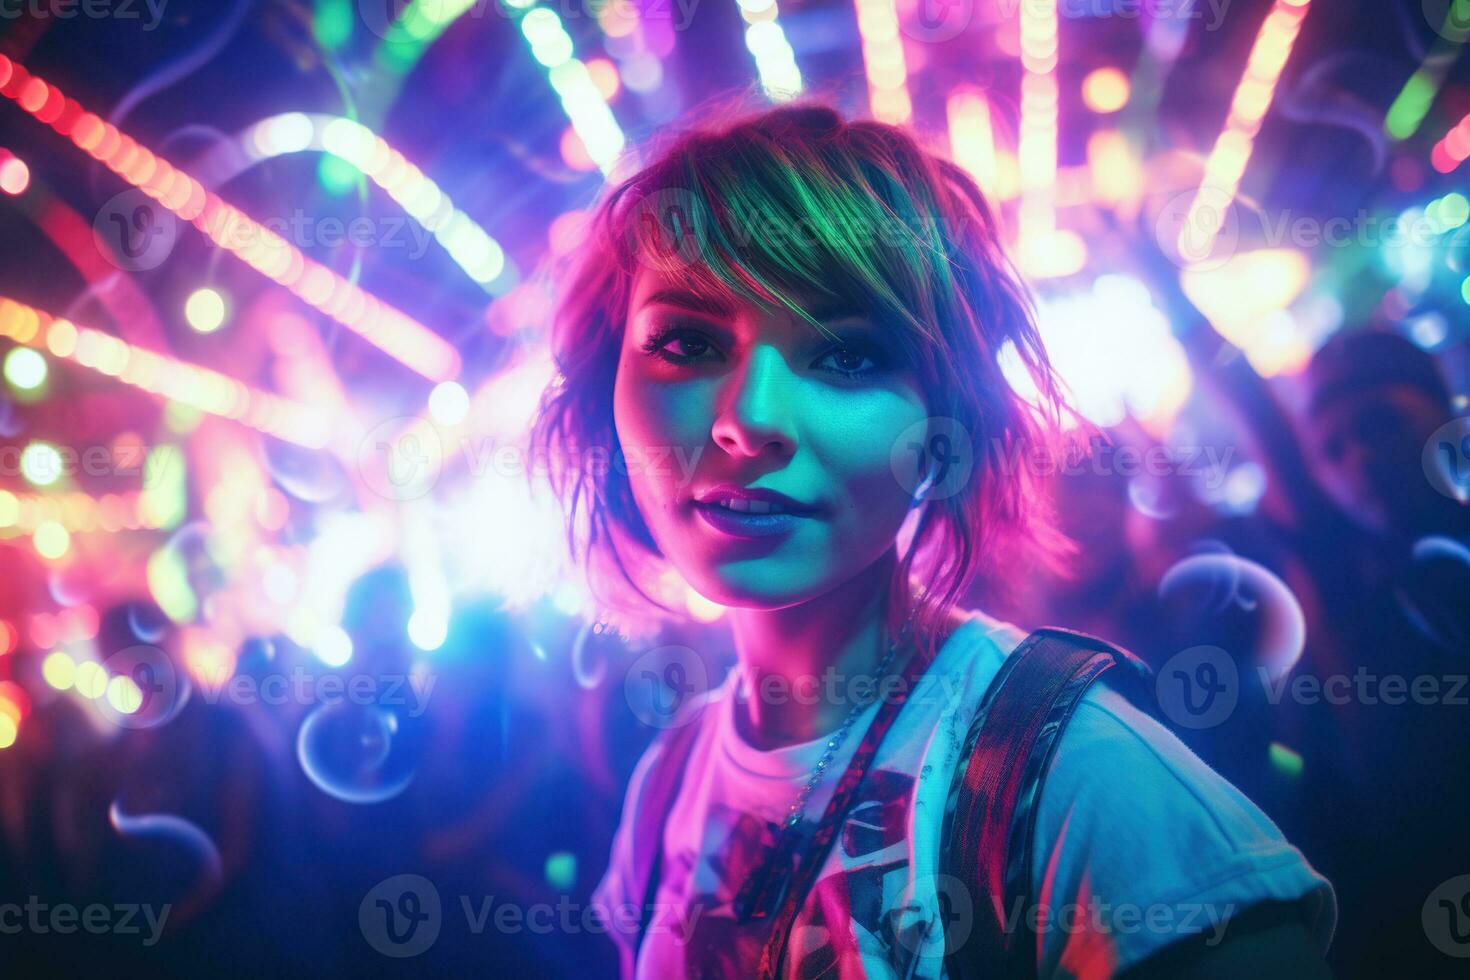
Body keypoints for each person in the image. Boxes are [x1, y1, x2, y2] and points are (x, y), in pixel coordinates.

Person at [530, 101, 1336, 979]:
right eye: (686, 340)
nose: (749, 420)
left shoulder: (1087, 786)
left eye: (846, 356)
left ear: (946, 422)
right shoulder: (667, 788)